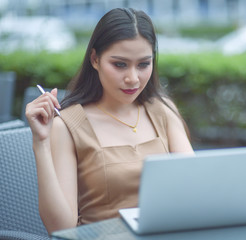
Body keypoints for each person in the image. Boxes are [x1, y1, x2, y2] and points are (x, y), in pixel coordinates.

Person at [25, 8, 193, 234]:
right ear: (95, 59)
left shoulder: (162, 111)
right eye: (120, 64)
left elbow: (195, 192)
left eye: (143, 64)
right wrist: (41, 143)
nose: (132, 78)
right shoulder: (67, 125)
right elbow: (61, 228)